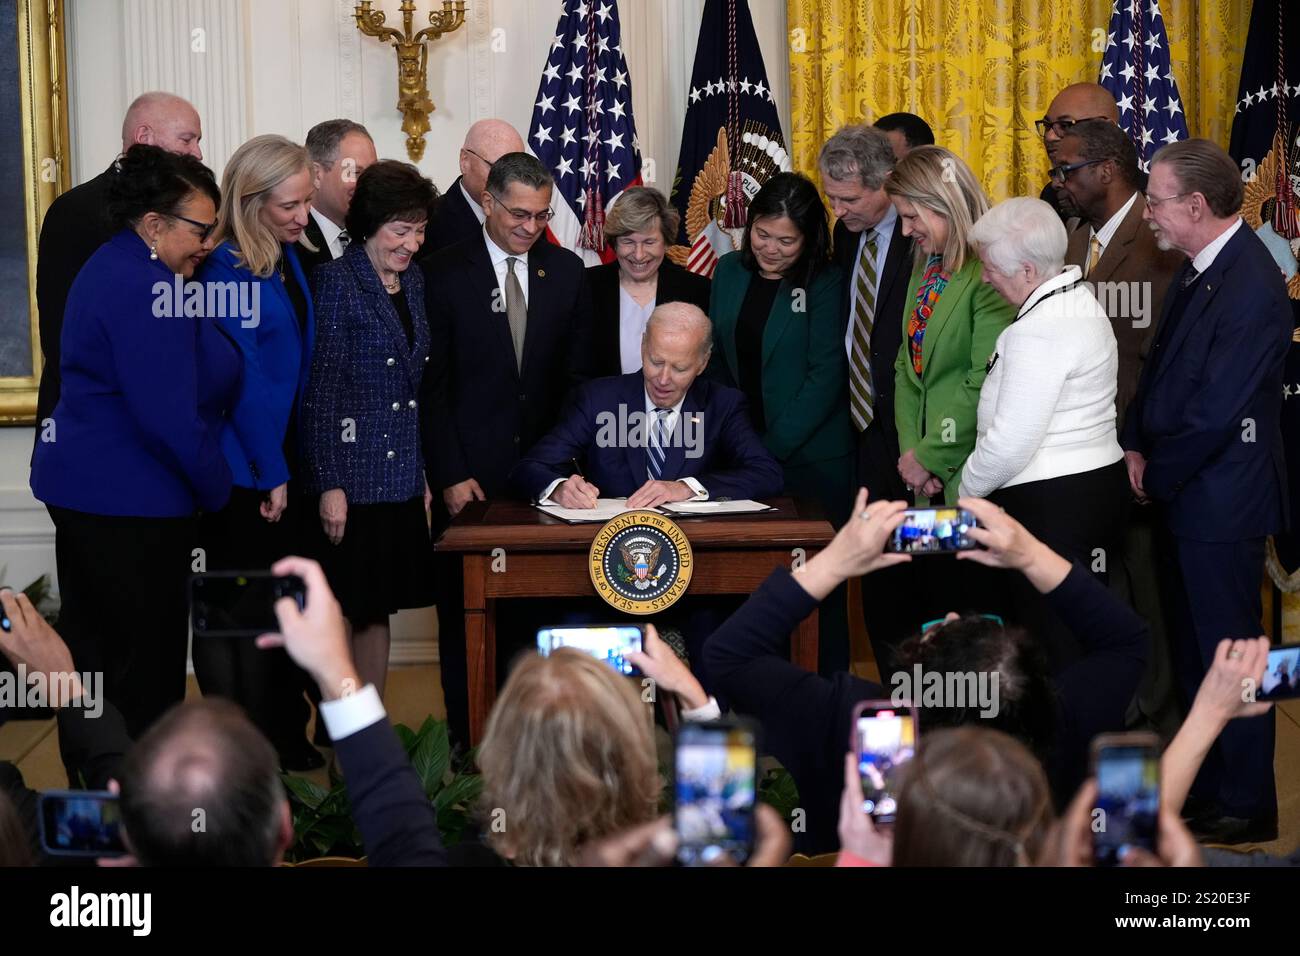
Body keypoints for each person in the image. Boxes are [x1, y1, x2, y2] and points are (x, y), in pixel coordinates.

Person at [703, 491, 1147, 854]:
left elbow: (729, 655)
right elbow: (1126, 639)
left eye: (941, 629)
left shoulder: (852, 718)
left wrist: (835, 561)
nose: (951, 611)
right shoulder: (1060, 719)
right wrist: (1030, 554)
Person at [30, 144, 238, 741]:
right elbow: (168, 420)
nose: (208, 244)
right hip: (131, 508)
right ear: (153, 224)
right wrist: (218, 489)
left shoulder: (118, 263)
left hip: (95, 501)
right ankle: (141, 813)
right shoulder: (146, 290)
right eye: (201, 230)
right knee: (142, 677)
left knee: (96, 661)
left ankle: (103, 800)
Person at [1122, 138, 1291, 844]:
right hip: (1186, 495)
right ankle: (1209, 784)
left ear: (1195, 205)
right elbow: (1161, 371)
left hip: (1220, 503)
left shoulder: (1251, 283)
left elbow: (1217, 412)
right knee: (1196, 652)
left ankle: (1248, 801)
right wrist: (1135, 438)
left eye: (1156, 202)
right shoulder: (1197, 267)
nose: (1148, 215)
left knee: (1232, 656)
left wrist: (1156, 474)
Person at [421, 151, 594, 747]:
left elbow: (577, 385)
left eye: (541, 216)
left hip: (545, 479)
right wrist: (448, 472)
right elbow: (431, 385)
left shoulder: (567, 271)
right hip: (467, 478)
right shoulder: (440, 271)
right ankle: (471, 747)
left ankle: (539, 749)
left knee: (538, 611)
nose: (529, 227)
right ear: (488, 202)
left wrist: (558, 468)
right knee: (465, 617)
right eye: (518, 214)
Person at [1052, 119, 1186, 737]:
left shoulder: (1159, 239)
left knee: (1150, 602)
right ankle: (1118, 725)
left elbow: (1164, 358)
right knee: (1107, 601)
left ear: (1106, 169)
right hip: (1084, 458)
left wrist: (1141, 444)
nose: (1061, 181)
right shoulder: (1076, 239)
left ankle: (1157, 737)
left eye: (1069, 170)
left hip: (1138, 455)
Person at [193, 134, 320, 771]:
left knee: (276, 608)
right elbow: (239, 383)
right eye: (289, 206)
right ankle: (239, 754)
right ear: (249, 202)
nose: (303, 216)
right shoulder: (221, 271)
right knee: (235, 613)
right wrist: (269, 472)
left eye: (306, 202)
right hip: (243, 468)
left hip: (282, 454)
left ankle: (276, 740)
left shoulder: (283, 254)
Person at [962, 197, 1128, 668]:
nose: (986, 277)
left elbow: (1011, 443)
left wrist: (968, 494)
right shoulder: (1073, 300)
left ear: (1030, 271)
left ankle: (1060, 741)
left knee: (1053, 647)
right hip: (1086, 493)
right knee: (1072, 632)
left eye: (992, 267)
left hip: (1054, 505)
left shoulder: (1041, 329)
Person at [301, 161, 438, 700]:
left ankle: (370, 732)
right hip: (351, 485)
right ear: (370, 225)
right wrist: (330, 483)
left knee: (377, 609)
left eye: (420, 229)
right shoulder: (334, 283)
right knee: (343, 611)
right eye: (400, 230)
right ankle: (342, 740)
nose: (413, 242)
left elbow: (414, 389)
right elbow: (320, 394)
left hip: (399, 479)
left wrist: (421, 471)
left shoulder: (417, 282)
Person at [33, 91, 203, 451]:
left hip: (160, 437)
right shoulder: (76, 211)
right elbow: (61, 335)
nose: (198, 153)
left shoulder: (187, 211)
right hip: (88, 442)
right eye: (187, 139)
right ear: (144, 138)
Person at [510, 302, 783, 508]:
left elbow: (767, 474)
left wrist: (686, 488)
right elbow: (528, 468)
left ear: (702, 363)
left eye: (680, 368)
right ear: (643, 347)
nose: (663, 379)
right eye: (655, 361)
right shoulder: (597, 398)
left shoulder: (723, 404)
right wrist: (558, 489)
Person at [819, 123, 917, 670]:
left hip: (914, 434)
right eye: (832, 198)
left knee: (919, 574)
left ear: (886, 184)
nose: (839, 210)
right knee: (877, 575)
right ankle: (892, 691)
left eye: (850, 199)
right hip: (862, 432)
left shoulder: (920, 235)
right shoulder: (846, 234)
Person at [708, 172, 852, 529]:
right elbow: (717, 360)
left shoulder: (825, 281)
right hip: (741, 454)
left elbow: (825, 374)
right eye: (762, 234)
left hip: (812, 461)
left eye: (786, 240)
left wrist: (769, 448)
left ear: (808, 238)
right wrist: (737, 439)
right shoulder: (728, 270)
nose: (770, 248)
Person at [884, 147, 1015, 504]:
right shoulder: (926, 265)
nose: (906, 231)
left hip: (972, 470)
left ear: (943, 204)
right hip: (926, 475)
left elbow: (983, 379)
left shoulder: (991, 274)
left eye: (911, 217)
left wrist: (931, 458)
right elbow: (906, 368)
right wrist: (914, 455)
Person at [586, 186, 711, 376]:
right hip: (601, 403)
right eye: (628, 242)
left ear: (666, 242)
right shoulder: (587, 286)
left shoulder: (697, 290)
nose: (638, 254)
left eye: (649, 242)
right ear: (615, 243)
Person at [422, 118, 525, 258]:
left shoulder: (530, 221)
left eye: (515, 170)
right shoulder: (428, 222)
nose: (506, 180)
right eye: (496, 168)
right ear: (465, 161)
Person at [298, 119, 378, 273]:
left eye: (372, 173)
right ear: (316, 174)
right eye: (356, 173)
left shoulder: (376, 234)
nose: (369, 184)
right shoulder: (291, 240)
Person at [1033, 83, 1119, 220]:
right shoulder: (1051, 196)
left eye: (1065, 125)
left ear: (1106, 128)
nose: (1049, 136)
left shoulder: (1147, 198)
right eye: (1047, 126)